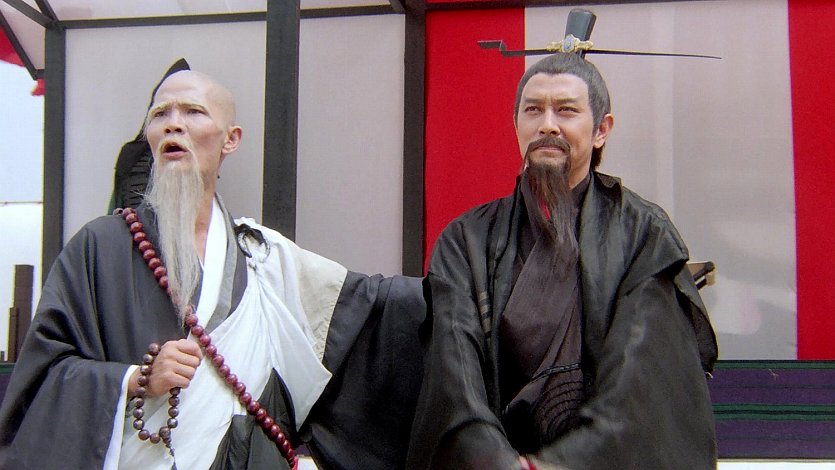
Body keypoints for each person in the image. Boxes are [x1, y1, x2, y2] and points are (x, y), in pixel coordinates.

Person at [0, 70, 425, 469]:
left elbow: (370, 310)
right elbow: (40, 379)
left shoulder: (263, 256)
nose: (173, 124)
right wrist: (136, 379)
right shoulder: (99, 246)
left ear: (230, 139)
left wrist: (453, 282)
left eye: (193, 112)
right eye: (160, 115)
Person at [407, 52, 719, 469]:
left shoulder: (643, 233)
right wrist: (496, 462)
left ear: (601, 130)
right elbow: (454, 370)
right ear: (515, 125)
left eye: (566, 110)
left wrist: (556, 465)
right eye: (533, 110)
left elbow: (639, 376)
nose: (548, 125)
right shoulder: (466, 239)